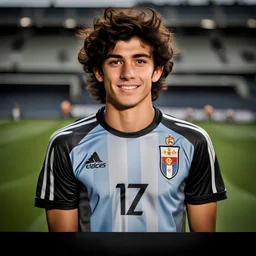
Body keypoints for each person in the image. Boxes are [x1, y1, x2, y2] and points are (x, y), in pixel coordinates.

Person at [34, 6, 227, 232]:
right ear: (98, 71)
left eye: (140, 61)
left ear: (157, 71)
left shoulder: (194, 142)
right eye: (115, 61)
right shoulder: (66, 145)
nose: (128, 73)